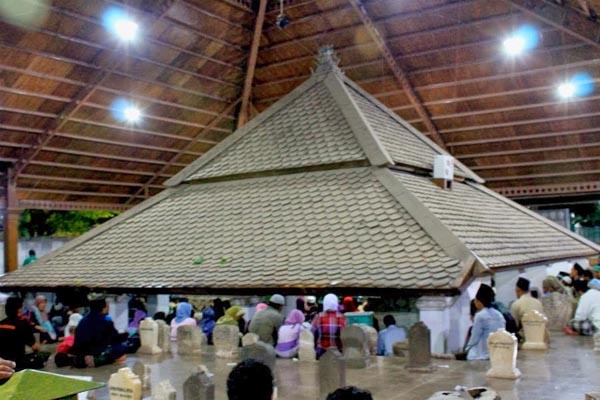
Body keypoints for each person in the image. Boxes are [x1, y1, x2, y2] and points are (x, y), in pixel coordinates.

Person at [71, 297, 128, 368]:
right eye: (107, 306)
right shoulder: (106, 321)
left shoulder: (82, 320)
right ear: (103, 308)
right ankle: (98, 361)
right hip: (94, 353)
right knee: (122, 348)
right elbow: (115, 338)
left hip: (80, 353)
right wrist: (125, 335)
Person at [465, 284, 505, 360]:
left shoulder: (480, 316)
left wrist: (467, 348)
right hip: (497, 352)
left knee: (471, 353)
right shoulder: (499, 314)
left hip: (482, 354)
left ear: (480, 302)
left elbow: (474, 338)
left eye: (476, 300)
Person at [0, 297, 40, 370]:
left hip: (2, 363)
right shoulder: (23, 325)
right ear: (19, 310)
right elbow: (35, 347)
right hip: (18, 363)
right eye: (22, 307)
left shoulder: (1, 324)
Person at [312, 293, 346, 358]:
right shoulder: (343, 318)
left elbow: (311, 333)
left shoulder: (318, 317)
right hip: (338, 354)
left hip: (322, 353)